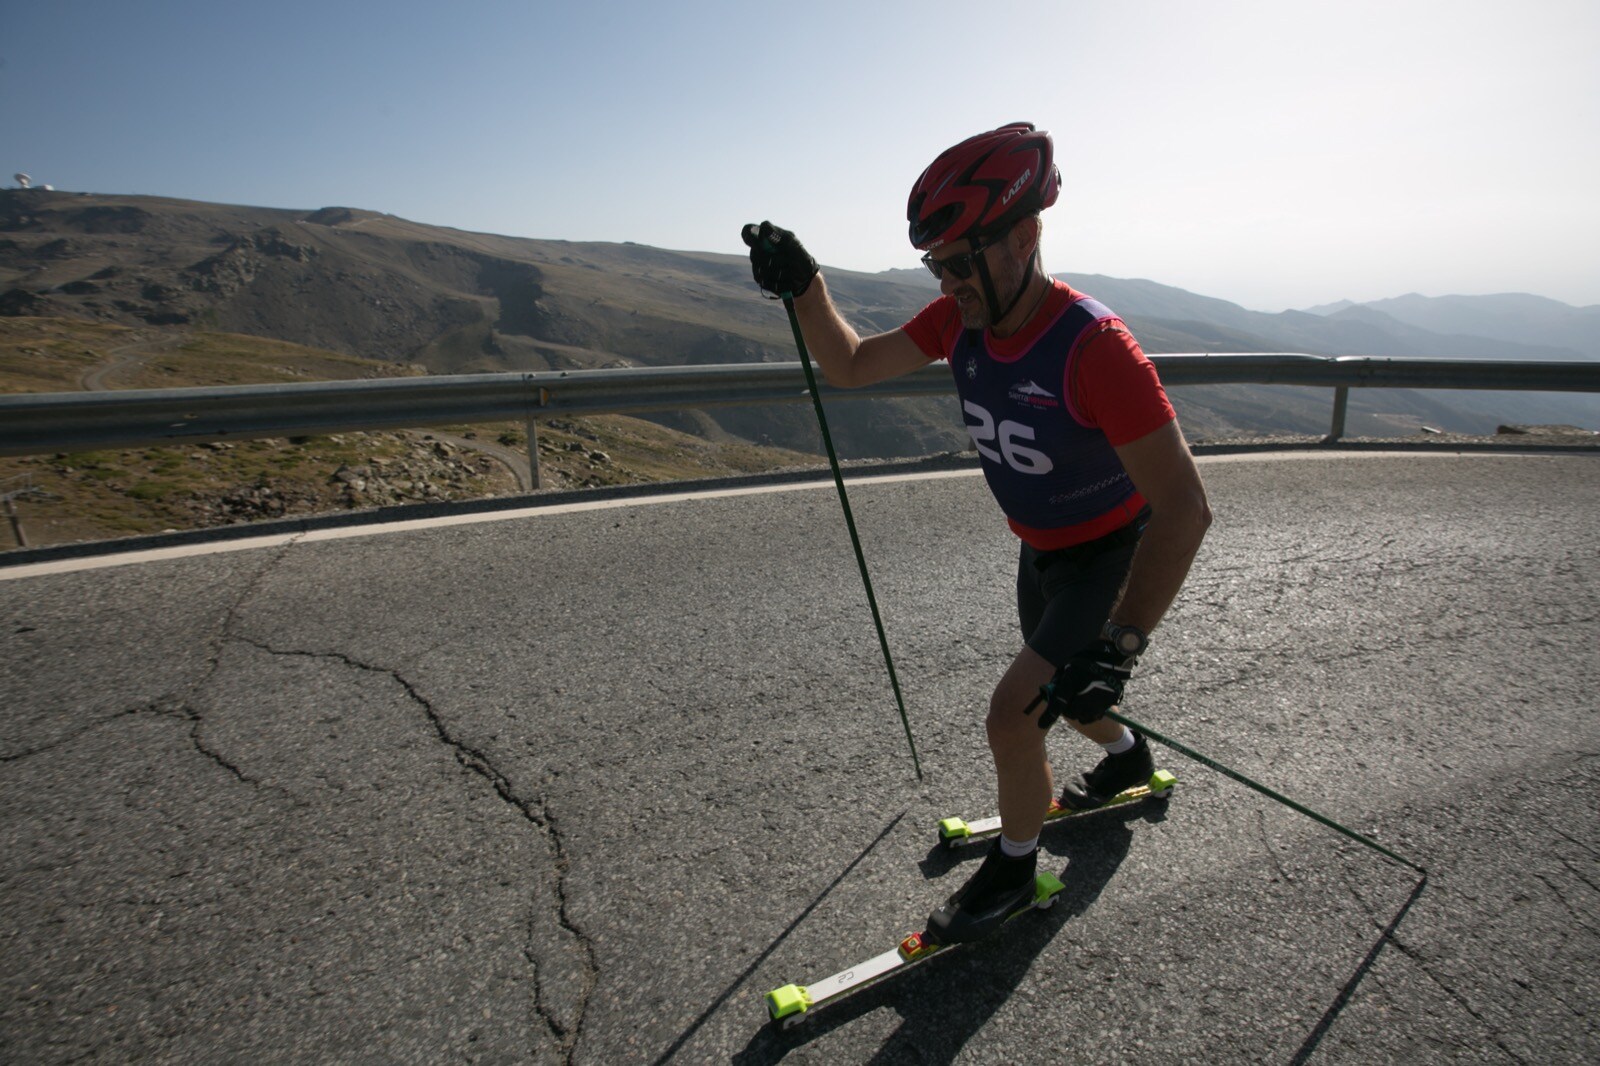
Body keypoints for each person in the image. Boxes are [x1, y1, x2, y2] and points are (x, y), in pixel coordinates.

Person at [743, 122, 1212, 944]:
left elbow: (1185, 508)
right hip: (1041, 552)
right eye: (937, 263)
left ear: (1025, 236)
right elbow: (851, 365)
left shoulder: (1096, 349)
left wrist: (1122, 642)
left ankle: (1015, 872)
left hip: (1109, 557)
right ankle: (1128, 756)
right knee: (1062, 703)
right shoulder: (959, 322)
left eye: (962, 260)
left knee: (1011, 716)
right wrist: (806, 287)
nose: (948, 279)